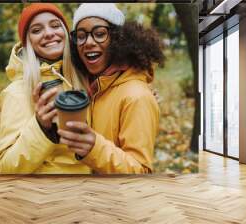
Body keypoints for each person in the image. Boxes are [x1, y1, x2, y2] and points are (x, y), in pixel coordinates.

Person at [57, 3, 165, 174]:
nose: (89, 42)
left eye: (99, 34)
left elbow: (141, 171)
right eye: (81, 36)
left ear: (118, 39)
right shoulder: (87, 86)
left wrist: (94, 148)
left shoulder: (137, 97)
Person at [0, 3, 90, 174]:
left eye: (55, 25)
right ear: (28, 42)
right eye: (37, 30)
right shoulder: (17, 92)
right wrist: (40, 127)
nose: (48, 33)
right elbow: (6, 167)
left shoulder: (84, 77)